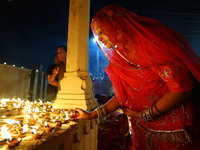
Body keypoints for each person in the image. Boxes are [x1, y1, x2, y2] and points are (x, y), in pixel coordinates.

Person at [71, 5, 200, 150]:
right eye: (97, 34)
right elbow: (123, 95)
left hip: (174, 131)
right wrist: (92, 115)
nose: (99, 38)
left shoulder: (150, 46)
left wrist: (143, 115)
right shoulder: (118, 59)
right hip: (141, 128)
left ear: (118, 26)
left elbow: (182, 90)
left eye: (102, 31)